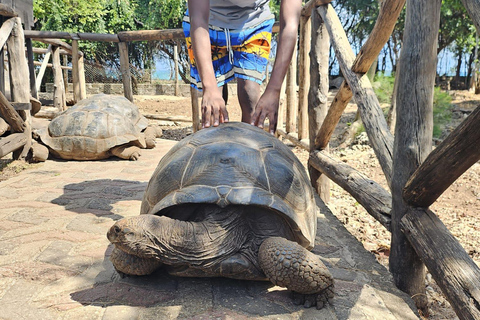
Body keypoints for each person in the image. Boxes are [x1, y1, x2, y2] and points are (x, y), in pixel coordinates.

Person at [183, 0, 301, 134]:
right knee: (214, 110)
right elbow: (198, 18)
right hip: (206, 22)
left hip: (255, 21)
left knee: (250, 97)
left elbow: (290, 25)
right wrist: (209, 88)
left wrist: (274, 90)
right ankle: (215, 151)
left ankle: (249, 148)